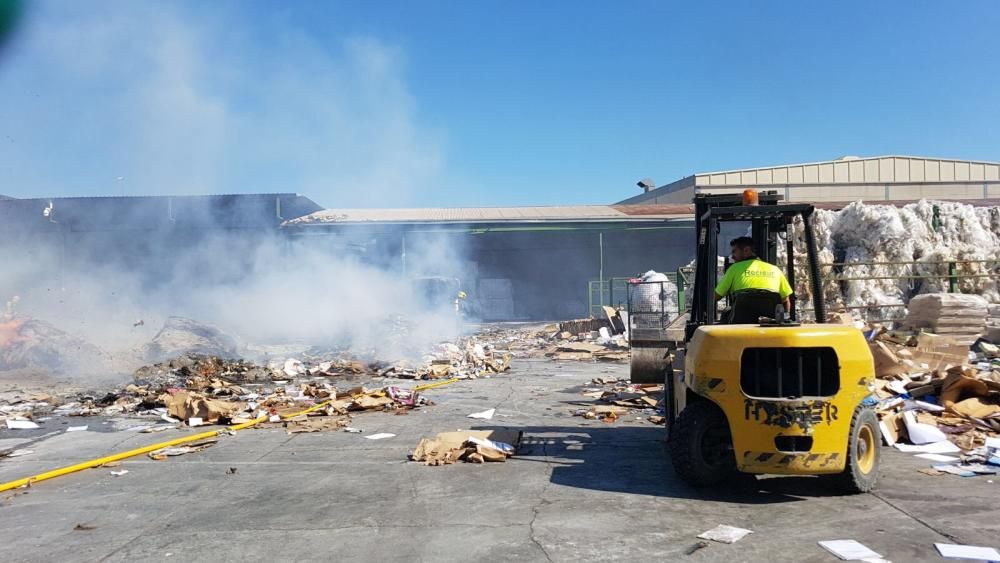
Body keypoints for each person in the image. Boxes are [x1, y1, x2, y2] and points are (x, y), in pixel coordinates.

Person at [714, 236, 793, 321]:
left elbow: (716, 296)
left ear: (746, 250)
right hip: (769, 327)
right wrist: (784, 319)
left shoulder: (734, 268)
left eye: (734, 252)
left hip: (740, 325)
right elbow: (785, 300)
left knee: (726, 313)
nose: (732, 256)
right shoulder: (775, 270)